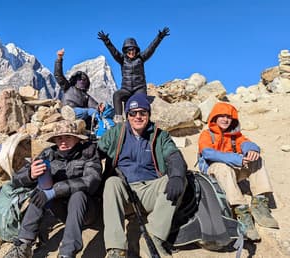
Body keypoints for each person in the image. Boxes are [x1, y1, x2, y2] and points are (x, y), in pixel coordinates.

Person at [97, 93, 187, 257]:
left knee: (177, 177)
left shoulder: (160, 135)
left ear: (148, 115)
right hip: (124, 194)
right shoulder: (116, 132)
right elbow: (96, 152)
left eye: (142, 113)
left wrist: (177, 176)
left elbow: (174, 156)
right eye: (133, 113)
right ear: (127, 116)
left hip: (150, 192)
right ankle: (116, 249)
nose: (138, 116)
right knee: (111, 182)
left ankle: (155, 235)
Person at [3, 119, 102, 258]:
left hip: (87, 210)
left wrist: (55, 190)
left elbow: (92, 180)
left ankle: (67, 253)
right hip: (61, 211)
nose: (63, 141)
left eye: (68, 137)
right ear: (54, 140)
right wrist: (30, 174)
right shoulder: (48, 154)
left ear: (76, 138)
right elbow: (16, 180)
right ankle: (24, 244)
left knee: (78, 195)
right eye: (59, 138)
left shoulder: (88, 153)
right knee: (39, 192)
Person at [198, 102, 279, 241]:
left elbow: (247, 143)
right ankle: (241, 210)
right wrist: (236, 158)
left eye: (229, 117)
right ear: (214, 118)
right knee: (223, 167)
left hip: (232, 172)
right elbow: (208, 153)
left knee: (256, 159)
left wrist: (252, 150)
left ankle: (259, 203)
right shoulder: (207, 134)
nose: (225, 119)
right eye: (221, 116)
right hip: (214, 173)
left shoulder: (235, 135)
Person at [97, 28, 170, 123]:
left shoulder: (141, 58)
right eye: (129, 50)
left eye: (133, 49)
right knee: (117, 95)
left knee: (139, 103)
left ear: (136, 50)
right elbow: (113, 51)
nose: (131, 52)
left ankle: (146, 121)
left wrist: (159, 37)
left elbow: (151, 48)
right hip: (126, 89)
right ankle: (119, 119)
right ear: (125, 51)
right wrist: (107, 41)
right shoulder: (122, 60)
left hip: (139, 89)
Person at [54, 48, 104, 125]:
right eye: (79, 79)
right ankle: (102, 125)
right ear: (75, 80)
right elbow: (58, 75)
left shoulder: (86, 96)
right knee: (89, 111)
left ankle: (100, 127)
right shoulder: (68, 87)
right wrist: (59, 59)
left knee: (92, 113)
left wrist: (100, 107)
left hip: (80, 113)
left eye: (84, 80)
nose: (82, 81)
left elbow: (94, 105)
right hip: (69, 109)